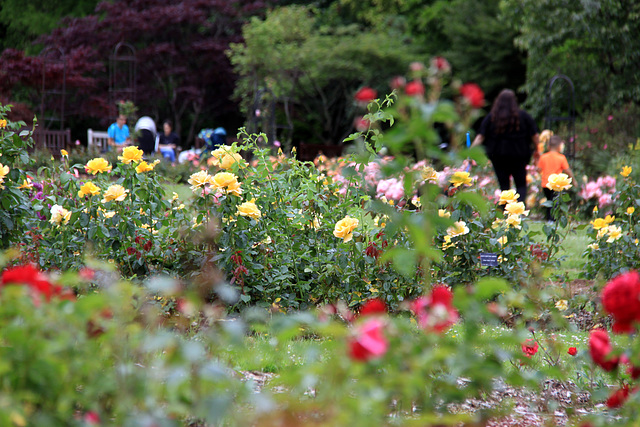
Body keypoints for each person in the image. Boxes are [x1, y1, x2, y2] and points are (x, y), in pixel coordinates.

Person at [471, 89, 539, 203]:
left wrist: (470, 151)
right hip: (519, 155)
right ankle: (519, 208)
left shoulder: (492, 117)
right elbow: (535, 135)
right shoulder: (523, 116)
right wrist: (538, 149)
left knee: (504, 185)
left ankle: (506, 209)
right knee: (521, 184)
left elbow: (480, 137)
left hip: (498, 156)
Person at [538, 135, 574, 221]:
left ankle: (549, 218)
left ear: (549, 146)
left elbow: (539, 169)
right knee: (555, 202)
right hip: (557, 185)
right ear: (559, 147)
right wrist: (573, 180)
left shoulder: (543, 157)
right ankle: (552, 219)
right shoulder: (561, 158)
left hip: (545, 184)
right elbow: (567, 170)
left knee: (549, 201)